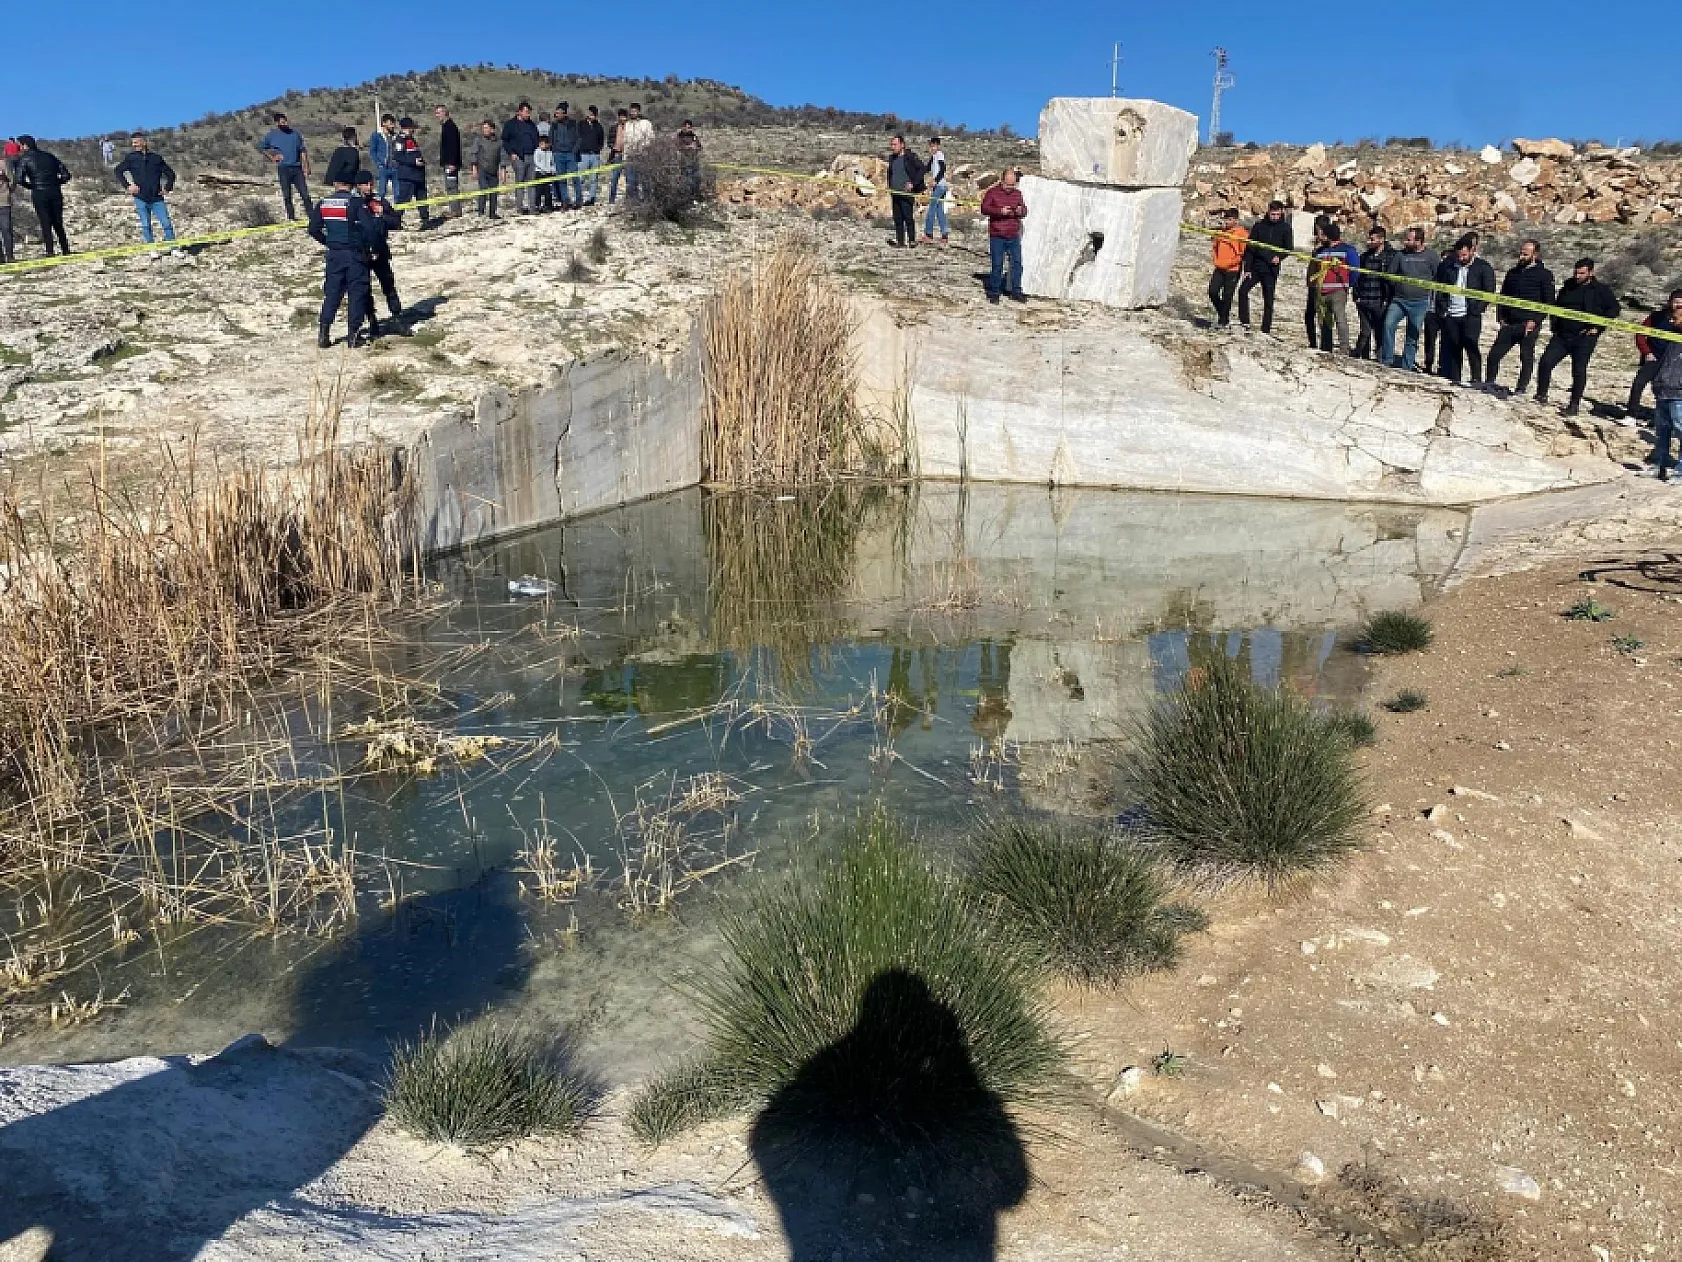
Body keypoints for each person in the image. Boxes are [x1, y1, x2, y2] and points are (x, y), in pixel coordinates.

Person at [306, 172, 384, 348]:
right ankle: (353, 336)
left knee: (332, 293)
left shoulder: (324, 203)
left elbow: (313, 229)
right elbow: (369, 229)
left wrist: (329, 242)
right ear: (352, 185)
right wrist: (375, 249)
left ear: (335, 183)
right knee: (357, 293)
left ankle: (324, 333)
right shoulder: (356, 202)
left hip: (334, 255)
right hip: (355, 254)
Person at [1536, 257, 1621, 416]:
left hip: (1584, 338)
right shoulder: (1568, 285)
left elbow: (1614, 309)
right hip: (1562, 335)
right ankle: (1541, 395)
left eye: (1581, 273)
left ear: (1591, 273)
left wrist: (1598, 327)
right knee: (1546, 362)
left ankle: (1574, 405)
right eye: (1576, 273)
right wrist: (1555, 324)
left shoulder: (1601, 290)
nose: (1577, 276)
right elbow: (1557, 306)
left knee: (1579, 370)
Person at [1484, 239, 1554, 396]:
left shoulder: (1544, 275)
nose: (1521, 257)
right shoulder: (1513, 273)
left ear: (1535, 255)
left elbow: (1548, 302)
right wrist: (1501, 317)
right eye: (1521, 253)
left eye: (1525, 254)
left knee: (1526, 357)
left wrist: (1535, 321)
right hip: (1509, 323)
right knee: (1494, 355)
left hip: (1528, 323)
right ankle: (1489, 382)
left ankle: (1521, 388)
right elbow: (1503, 296)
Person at [1432, 235, 1495, 384]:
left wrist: (1477, 309)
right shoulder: (1447, 265)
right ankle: (1454, 378)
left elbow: (1489, 291)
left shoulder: (1483, 267)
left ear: (1472, 251)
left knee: (1471, 346)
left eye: (1464, 255)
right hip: (1451, 314)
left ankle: (1476, 378)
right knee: (1453, 347)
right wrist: (1442, 308)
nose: (1461, 258)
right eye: (1458, 255)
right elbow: (1440, 287)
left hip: (1470, 315)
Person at [354, 170, 406, 335]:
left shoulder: (379, 200)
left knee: (388, 284)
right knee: (365, 289)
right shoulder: (353, 203)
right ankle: (372, 321)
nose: (368, 187)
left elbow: (396, 222)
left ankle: (398, 318)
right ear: (358, 186)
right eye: (365, 184)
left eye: (370, 183)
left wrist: (382, 214)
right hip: (361, 252)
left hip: (380, 249)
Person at [1381, 227, 1436, 370]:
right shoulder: (1400, 255)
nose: (1405, 242)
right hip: (1399, 300)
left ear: (1419, 241)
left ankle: (1407, 365)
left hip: (1420, 302)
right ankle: (1387, 360)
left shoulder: (1431, 256)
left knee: (1412, 334)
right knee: (1388, 325)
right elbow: (1390, 274)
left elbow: (1438, 278)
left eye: (1409, 240)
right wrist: (1398, 286)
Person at [114, 131, 176, 245]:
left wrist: (167, 188)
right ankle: (151, 248)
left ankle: (174, 248)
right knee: (146, 225)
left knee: (166, 223)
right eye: (133, 143)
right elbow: (118, 170)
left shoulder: (156, 158)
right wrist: (128, 186)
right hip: (140, 198)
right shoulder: (131, 158)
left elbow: (171, 174)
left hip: (157, 198)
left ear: (144, 142)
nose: (134, 145)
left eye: (136, 142)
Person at [1238, 201, 1291, 334]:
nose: (1275, 217)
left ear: (1282, 213)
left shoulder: (1286, 228)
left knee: (1268, 299)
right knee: (1242, 291)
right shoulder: (1259, 226)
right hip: (1256, 267)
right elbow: (1250, 247)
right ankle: (1245, 322)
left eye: (1278, 214)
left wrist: (1279, 257)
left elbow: (1288, 248)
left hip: (1271, 269)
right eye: (1273, 214)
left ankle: (1265, 329)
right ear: (1268, 212)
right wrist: (1247, 269)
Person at [13, 136, 71, 257]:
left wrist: (32, 186)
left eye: (20, 145)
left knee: (45, 222)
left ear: (25, 145)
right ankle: (65, 249)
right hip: (55, 191)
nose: (19, 148)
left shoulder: (24, 159)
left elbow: (19, 179)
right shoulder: (49, 156)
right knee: (58, 222)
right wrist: (55, 183)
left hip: (39, 193)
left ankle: (50, 251)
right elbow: (66, 175)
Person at [1647, 290, 1682, 480]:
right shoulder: (1667, 327)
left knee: (1680, 428)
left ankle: (1680, 470)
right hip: (1663, 385)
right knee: (1662, 430)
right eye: (1676, 304)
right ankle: (1659, 465)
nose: (1678, 308)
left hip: (1679, 390)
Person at [980, 167, 1026, 303]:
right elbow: (984, 208)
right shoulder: (992, 193)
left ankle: (1016, 292)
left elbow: (1024, 210)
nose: (1010, 188)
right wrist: (1000, 211)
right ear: (1002, 181)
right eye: (1008, 185)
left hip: (1013, 235)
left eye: (1013, 185)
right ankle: (994, 293)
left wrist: (1021, 211)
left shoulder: (1018, 194)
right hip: (997, 235)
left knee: (1017, 264)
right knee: (997, 265)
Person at [1313, 223, 1360, 353]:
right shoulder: (1320, 251)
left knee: (1339, 318)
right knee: (1323, 320)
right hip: (1322, 291)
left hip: (1338, 290)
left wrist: (1348, 284)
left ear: (1328, 236)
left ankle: (1344, 347)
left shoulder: (1347, 250)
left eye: (1323, 234)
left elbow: (1355, 270)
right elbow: (1315, 269)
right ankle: (1325, 347)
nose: (1320, 237)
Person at [1625, 301, 1674, 423]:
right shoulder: (1656, 316)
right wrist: (1646, 352)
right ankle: (1631, 415)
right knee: (1638, 383)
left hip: (1674, 362)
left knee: (1665, 391)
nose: (1678, 305)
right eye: (1676, 301)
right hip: (1653, 358)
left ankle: (1661, 419)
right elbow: (1640, 334)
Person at [257, 112, 311, 220]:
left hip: (297, 168)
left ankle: (312, 216)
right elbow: (261, 147)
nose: (285, 124)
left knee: (305, 194)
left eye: (285, 121)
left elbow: (302, 151)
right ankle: (291, 218)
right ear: (277, 123)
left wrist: (306, 166)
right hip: (283, 168)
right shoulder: (272, 135)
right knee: (287, 195)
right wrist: (272, 157)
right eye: (282, 122)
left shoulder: (295, 134)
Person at [1353, 226, 1395, 360]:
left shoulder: (1391, 256)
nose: (1369, 241)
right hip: (1364, 299)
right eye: (1369, 238)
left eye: (1372, 239)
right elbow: (1358, 276)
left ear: (1381, 240)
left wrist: (1387, 299)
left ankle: (1380, 358)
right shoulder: (1364, 257)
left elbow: (1392, 280)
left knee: (1380, 331)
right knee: (1365, 331)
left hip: (1380, 301)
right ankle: (1361, 356)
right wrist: (1356, 295)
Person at [1207, 207, 1247, 328]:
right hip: (1219, 268)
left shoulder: (1242, 234)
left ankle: (1223, 321)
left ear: (1236, 220)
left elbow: (1242, 254)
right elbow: (1215, 247)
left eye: (1229, 219)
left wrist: (1230, 263)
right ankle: (1223, 314)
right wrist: (1215, 259)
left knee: (1227, 295)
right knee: (1213, 291)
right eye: (1226, 219)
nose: (1227, 222)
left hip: (1233, 270)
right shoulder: (1221, 232)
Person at [885, 134, 926, 248]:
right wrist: (890, 185)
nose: (893, 147)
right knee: (897, 218)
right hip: (895, 192)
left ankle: (912, 240)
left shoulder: (910, 157)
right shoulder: (892, 158)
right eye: (892, 145)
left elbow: (922, 169)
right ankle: (900, 242)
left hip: (906, 193)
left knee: (908, 217)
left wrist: (913, 183)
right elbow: (890, 173)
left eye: (895, 144)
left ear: (902, 145)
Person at [500, 103, 540, 214]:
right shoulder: (510, 124)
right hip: (518, 157)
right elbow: (504, 140)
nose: (528, 114)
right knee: (520, 182)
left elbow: (536, 137)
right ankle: (520, 208)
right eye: (526, 112)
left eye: (529, 112)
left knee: (532, 183)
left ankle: (532, 208)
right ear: (520, 112)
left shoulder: (531, 124)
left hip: (531, 156)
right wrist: (511, 153)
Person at [392, 117, 430, 228]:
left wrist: (421, 161)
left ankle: (425, 220)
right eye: (411, 128)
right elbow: (398, 156)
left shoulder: (411, 139)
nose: (412, 130)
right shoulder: (399, 140)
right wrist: (413, 162)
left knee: (422, 199)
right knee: (403, 200)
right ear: (405, 128)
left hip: (418, 175)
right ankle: (395, 221)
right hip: (407, 176)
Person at [549, 104, 581, 209]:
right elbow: (550, 139)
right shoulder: (554, 125)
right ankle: (565, 201)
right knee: (562, 179)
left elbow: (579, 138)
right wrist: (554, 150)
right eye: (556, 113)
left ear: (564, 113)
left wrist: (574, 151)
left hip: (570, 154)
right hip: (558, 154)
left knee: (575, 178)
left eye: (559, 113)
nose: (557, 115)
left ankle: (578, 200)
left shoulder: (573, 124)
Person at [434, 105, 462, 219]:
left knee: (451, 187)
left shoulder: (450, 127)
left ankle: (455, 211)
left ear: (444, 113)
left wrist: (452, 163)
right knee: (450, 186)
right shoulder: (446, 126)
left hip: (451, 164)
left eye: (438, 113)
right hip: (449, 163)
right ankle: (454, 209)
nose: (437, 115)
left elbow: (453, 147)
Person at [470, 120, 501, 218]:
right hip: (482, 169)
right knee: (483, 189)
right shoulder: (478, 140)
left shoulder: (499, 142)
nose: (485, 130)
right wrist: (474, 169)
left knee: (494, 192)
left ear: (492, 129)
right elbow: (474, 154)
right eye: (483, 128)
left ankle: (492, 213)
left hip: (494, 170)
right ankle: (481, 212)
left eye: (487, 128)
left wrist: (503, 171)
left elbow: (502, 156)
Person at [622, 102, 654, 200]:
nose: (633, 113)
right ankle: (633, 201)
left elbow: (651, 138)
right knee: (631, 181)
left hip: (643, 155)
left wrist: (644, 148)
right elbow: (625, 141)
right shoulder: (627, 124)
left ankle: (647, 200)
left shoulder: (646, 123)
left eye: (635, 111)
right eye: (631, 111)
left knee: (645, 180)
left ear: (639, 112)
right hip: (630, 156)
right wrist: (624, 157)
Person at [922, 136, 949, 244]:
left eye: (934, 146)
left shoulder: (939, 155)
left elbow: (943, 169)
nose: (932, 148)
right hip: (940, 186)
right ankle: (944, 235)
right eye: (931, 146)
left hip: (940, 186)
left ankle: (928, 234)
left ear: (938, 146)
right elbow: (926, 169)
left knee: (931, 208)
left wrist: (936, 180)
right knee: (939, 210)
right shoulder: (933, 157)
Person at [579, 106, 606, 206]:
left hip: (595, 155)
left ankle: (591, 198)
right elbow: (577, 138)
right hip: (583, 155)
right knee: (580, 178)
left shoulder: (599, 126)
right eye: (590, 114)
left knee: (593, 179)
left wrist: (597, 149)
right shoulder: (581, 125)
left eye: (594, 114)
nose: (592, 116)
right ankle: (579, 198)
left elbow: (601, 140)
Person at [369, 115, 399, 202]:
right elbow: (372, 151)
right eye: (391, 123)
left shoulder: (395, 136)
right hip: (383, 168)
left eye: (393, 123)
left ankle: (397, 209)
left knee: (398, 192)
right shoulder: (376, 135)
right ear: (384, 123)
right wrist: (379, 163)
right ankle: (379, 208)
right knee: (381, 192)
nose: (393, 126)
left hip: (395, 167)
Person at [675, 119, 703, 200]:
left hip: (694, 161)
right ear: (683, 127)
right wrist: (688, 147)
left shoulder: (693, 136)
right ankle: (688, 197)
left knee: (697, 179)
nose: (688, 129)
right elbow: (678, 147)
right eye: (687, 127)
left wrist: (696, 147)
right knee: (688, 180)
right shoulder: (679, 136)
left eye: (690, 127)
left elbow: (700, 147)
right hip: (685, 161)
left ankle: (696, 195)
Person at [607, 108, 629, 204]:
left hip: (628, 155)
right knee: (614, 178)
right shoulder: (614, 127)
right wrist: (613, 147)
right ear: (618, 117)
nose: (622, 119)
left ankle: (629, 199)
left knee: (629, 178)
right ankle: (611, 200)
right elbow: (609, 141)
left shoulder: (630, 127)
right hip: (617, 155)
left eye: (624, 117)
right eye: (621, 117)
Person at [532, 135, 557, 212]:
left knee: (548, 191)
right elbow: (537, 162)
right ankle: (537, 205)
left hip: (548, 174)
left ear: (547, 144)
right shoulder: (537, 151)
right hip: (539, 173)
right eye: (540, 144)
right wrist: (544, 169)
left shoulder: (550, 152)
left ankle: (548, 206)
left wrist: (553, 170)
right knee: (538, 191)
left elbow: (552, 163)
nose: (542, 145)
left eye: (543, 144)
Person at [0, 162, 14, 264]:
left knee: (6, 230)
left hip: (4, 203)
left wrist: (8, 192)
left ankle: (10, 256)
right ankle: (1, 258)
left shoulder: (3, 164)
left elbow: (13, 180)